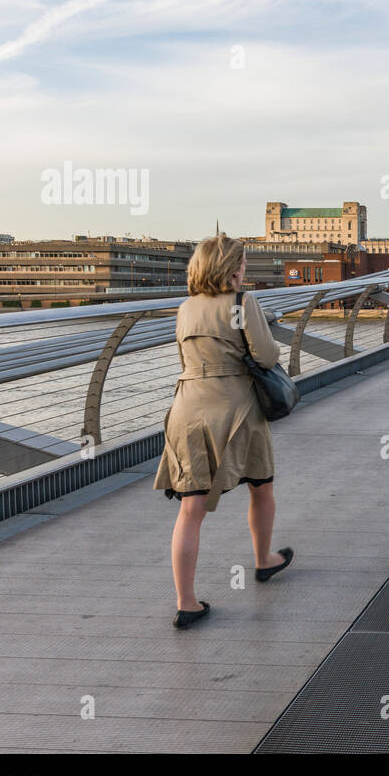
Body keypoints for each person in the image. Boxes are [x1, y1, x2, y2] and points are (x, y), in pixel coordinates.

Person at [154, 233, 292, 629]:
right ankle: (264, 560)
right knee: (260, 486)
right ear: (234, 269)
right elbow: (266, 356)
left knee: (191, 507)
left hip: (187, 408)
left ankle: (186, 602)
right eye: (243, 263)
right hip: (237, 408)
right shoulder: (242, 303)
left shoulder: (184, 308)